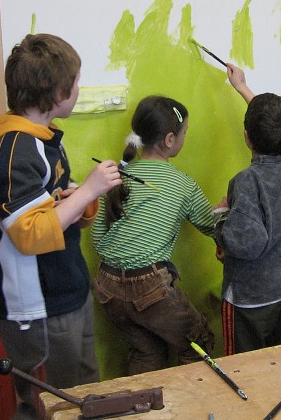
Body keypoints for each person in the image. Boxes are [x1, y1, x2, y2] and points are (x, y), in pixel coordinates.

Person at [0, 33, 122, 420]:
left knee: (81, 396)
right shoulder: (13, 151)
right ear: (58, 93)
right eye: (75, 84)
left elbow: (48, 207)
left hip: (66, 290)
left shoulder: (42, 138)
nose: (78, 90)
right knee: (46, 412)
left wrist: (79, 201)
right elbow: (30, 234)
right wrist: (88, 191)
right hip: (37, 307)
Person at [91, 96, 217, 374]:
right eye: (184, 133)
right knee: (198, 343)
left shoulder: (114, 179)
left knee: (147, 351)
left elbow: (98, 239)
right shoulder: (182, 184)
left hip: (107, 287)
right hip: (148, 286)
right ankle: (192, 400)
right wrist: (223, 212)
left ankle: (145, 402)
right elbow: (212, 227)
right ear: (170, 139)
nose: (185, 138)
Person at [214, 64, 281, 354]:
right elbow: (277, 126)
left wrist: (221, 216)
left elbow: (246, 243)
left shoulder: (248, 181)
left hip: (251, 301)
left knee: (243, 370)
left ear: (246, 137)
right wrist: (242, 87)